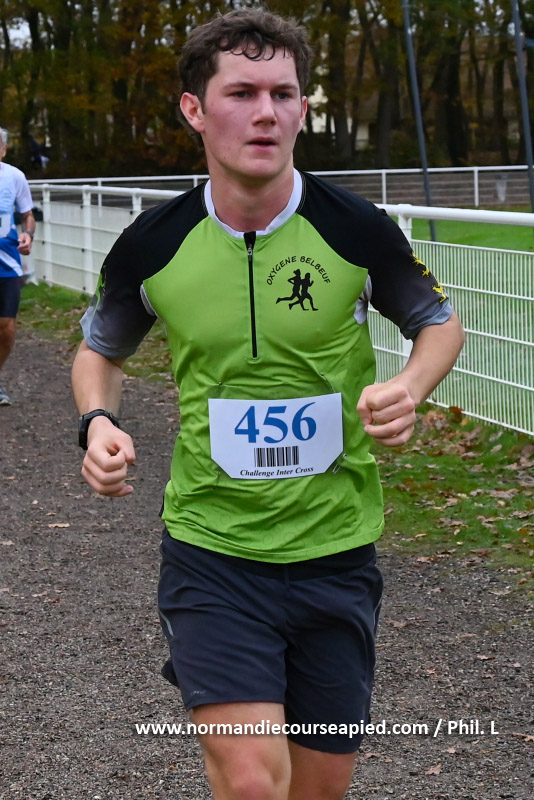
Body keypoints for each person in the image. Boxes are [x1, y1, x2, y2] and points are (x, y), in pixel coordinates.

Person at [72, 8, 465, 800]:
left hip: (335, 550)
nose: (266, 113)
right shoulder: (155, 242)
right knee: (253, 781)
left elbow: (438, 324)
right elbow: (99, 351)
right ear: (194, 109)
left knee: (315, 791)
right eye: (243, 93)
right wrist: (98, 422)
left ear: (303, 108)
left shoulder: (355, 229)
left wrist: (410, 388)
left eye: (284, 94)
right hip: (213, 552)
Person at [0, 127, 36, 406]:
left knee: (7, 326)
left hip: (7, 263)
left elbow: (27, 215)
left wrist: (28, 234)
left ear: (3, 150)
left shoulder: (14, 177)